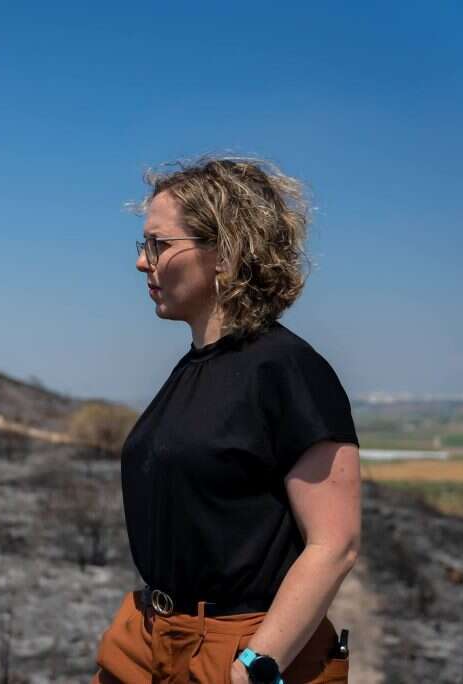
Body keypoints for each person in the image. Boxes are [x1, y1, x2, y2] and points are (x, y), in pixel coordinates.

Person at [91, 155, 361, 684]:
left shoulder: (287, 370)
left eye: (159, 245)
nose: (143, 263)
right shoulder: (194, 368)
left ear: (226, 252)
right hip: (150, 636)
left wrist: (255, 666)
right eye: (144, 245)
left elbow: (336, 544)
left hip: (238, 645)